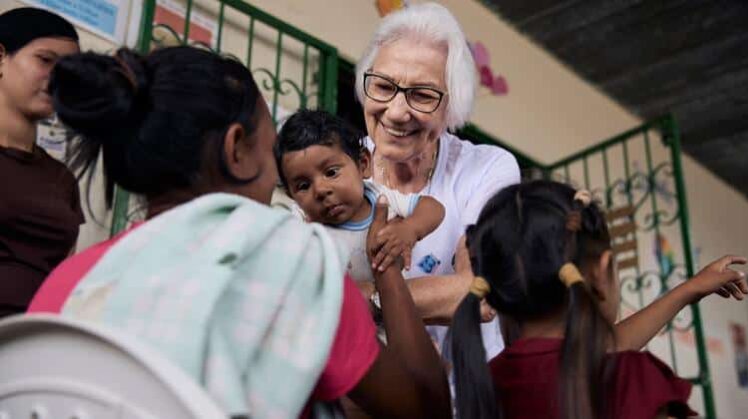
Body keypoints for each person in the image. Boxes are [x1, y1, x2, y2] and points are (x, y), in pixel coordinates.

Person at [27, 46, 451, 419]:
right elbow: (426, 409)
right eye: (270, 152)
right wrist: (388, 266)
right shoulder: (290, 263)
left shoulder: (67, 284)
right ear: (237, 150)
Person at [450, 180, 748, 419]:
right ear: (602, 270)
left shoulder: (482, 385)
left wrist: (688, 289)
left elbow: (591, 351)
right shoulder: (631, 379)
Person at [354, 1, 519, 356]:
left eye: (422, 95)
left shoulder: (486, 169)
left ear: (451, 108)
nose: (397, 112)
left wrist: (362, 301)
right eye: (383, 87)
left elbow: (479, 292)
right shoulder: (340, 169)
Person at [275, 109, 445, 285]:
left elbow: (433, 208)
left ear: (363, 164)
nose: (320, 190)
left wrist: (410, 229)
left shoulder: (381, 199)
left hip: (389, 304)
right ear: (291, 195)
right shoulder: (301, 223)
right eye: (303, 186)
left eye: (331, 172)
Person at [0, 7, 82, 317]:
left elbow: (64, 275)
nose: (57, 78)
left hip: (34, 344)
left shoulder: (62, 179)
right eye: (46, 60)